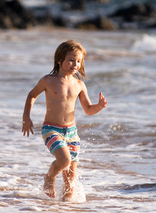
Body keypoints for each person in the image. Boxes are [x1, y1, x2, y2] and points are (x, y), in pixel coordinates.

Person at [22, 40, 107, 201]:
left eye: (79, 61)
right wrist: (26, 117)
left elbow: (88, 109)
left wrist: (99, 106)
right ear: (59, 60)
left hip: (72, 133)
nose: (75, 64)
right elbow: (31, 95)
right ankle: (49, 177)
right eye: (71, 59)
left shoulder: (80, 85)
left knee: (70, 180)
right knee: (64, 160)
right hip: (51, 130)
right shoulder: (48, 80)